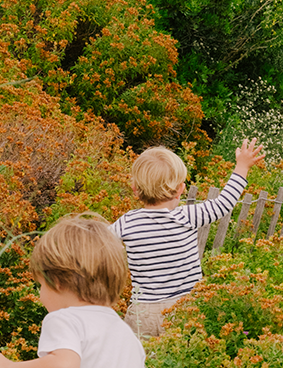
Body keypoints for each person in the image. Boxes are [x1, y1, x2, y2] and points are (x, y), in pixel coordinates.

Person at [0, 214, 150, 368]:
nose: (40, 294)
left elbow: (64, 367)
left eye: (40, 285)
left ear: (57, 281)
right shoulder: (126, 334)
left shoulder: (65, 319)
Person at [110, 139, 264, 339]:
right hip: (185, 307)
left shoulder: (127, 222)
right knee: (182, 353)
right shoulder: (187, 216)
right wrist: (242, 166)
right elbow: (224, 203)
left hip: (143, 311)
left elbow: (97, 242)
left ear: (135, 189)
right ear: (180, 189)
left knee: (140, 356)